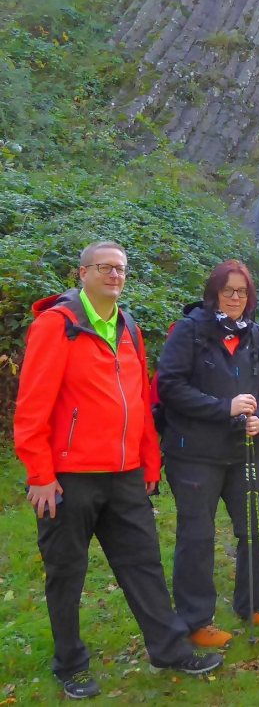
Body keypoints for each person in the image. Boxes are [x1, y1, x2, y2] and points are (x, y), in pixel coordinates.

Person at [13, 241, 223, 699]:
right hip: (69, 477)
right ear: (82, 273)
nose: (114, 276)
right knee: (66, 573)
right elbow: (31, 407)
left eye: (121, 269)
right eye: (104, 268)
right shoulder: (57, 326)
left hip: (126, 473)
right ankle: (70, 663)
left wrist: (148, 460)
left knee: (144, 564)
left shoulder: (127, 325)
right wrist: (40, 474)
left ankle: (168, 648)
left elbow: (141, 402)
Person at [156, 260, 259, 647]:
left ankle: (253, 601)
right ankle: (195, 620)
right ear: (214, 294)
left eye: (242, 292)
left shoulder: (255, 335)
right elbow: (169, 385)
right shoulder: (191, 331)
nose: (236, 298)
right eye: (229, 291)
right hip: (195, 452)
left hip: (246, 448)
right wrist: (223, 407)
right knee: (197, 536)